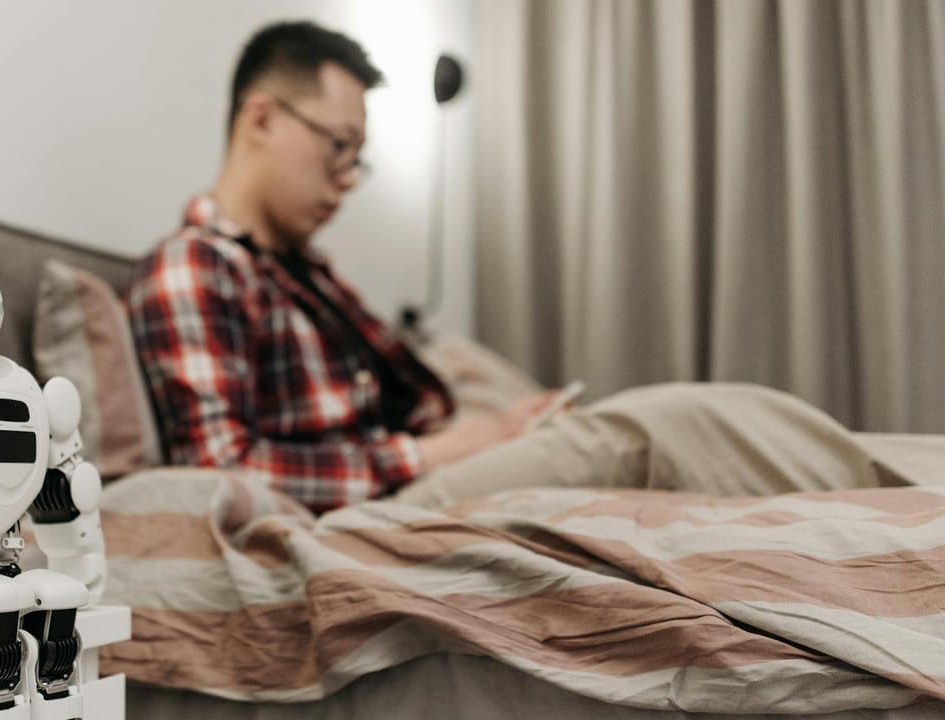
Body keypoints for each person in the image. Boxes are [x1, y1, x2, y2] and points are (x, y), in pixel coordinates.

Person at [128, 20, 930, 514]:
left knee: (649, 424)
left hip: (411, 460)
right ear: (262, 118)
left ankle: (911, 479)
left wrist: (487, 423)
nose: (346, 178)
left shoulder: (305, 271)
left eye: (357, 158)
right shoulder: (197, 266)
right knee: (649, 429)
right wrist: (438, 453)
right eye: (338, 146)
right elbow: (218, 473)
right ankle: (913, 489)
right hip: (374, 504)